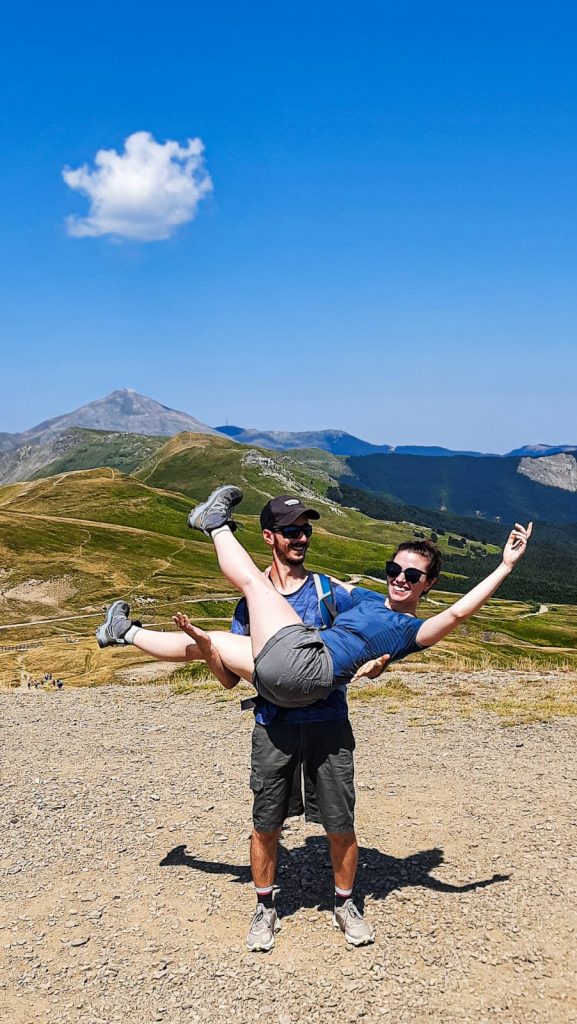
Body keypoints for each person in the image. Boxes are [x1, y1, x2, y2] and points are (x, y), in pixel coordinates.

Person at [97, 495, 380, 950]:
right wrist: (208, 648)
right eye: (291, 531)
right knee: (266, 824)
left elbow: (370, 635)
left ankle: (345, 904)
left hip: (328, 720)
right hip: (276, 723)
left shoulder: (329, 592)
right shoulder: (252, 602)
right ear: (269, 537)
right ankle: (265, 907)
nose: (301, 537)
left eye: (306, 529)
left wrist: (379, 661)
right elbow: (228, 679)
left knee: (341, 822)